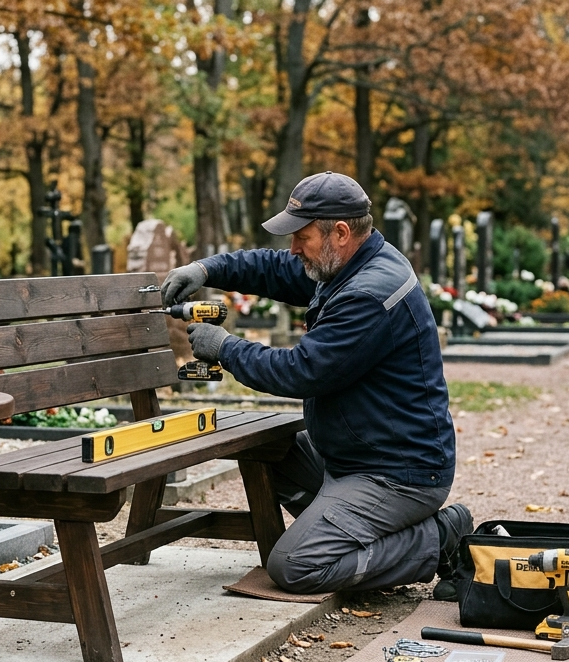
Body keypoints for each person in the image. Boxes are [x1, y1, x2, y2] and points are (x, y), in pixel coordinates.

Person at [160, 171, 471, 600]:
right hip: (354, 456)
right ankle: (354, 529)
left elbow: (301, 371)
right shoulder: (348, 262)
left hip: (398, 473)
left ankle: (438, 538)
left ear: (340, 233)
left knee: (296, 566)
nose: (293, 248)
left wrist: (226, 348)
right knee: (266, 448)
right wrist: (206, 268)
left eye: (301, 237)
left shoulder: (367, 294)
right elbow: (274, 268)